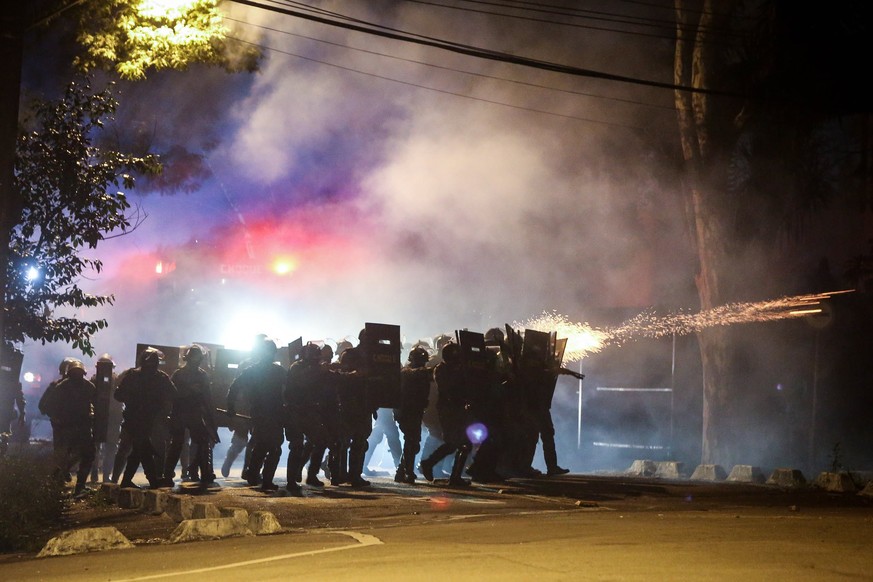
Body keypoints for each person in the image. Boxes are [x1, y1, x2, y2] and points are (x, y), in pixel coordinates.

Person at [226, 337, 286, 492]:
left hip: (265, 414)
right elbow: (234, 387)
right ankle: (262, 479)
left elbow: (234, 387)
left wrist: (230, 407)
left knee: (262, 446)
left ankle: (254, 475)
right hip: (268, 414)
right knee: (272, 448)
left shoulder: (255, 370)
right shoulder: (276, 371)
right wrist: (230, 406)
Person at [114, 348, 176, 489]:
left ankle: (133, 480)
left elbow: (118, 395)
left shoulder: (137, 376)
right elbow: (118, 395)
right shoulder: (158, 377)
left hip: (142, 421)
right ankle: (152, 481)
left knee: (140, 450)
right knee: (143, 450)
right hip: (138, 420)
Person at [285, 342, 339, 494]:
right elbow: (303, 380)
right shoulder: (297, 367)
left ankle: (311, 474)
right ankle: (291, 480)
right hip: (295, 411)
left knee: (320, 441)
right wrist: (320, 370)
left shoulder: (317, 368)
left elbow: (332, 379)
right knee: (296, 445)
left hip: (310, 412)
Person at [160, 344, 218, 487]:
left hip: (186, 413)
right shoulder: (193, 375)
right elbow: (207, 398)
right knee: (196, 443)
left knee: (185, 444)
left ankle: (171, 474)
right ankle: (203, 473)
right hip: (188, 413)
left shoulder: (181, 374)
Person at [38, 359, 97, 495]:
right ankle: (60, 482)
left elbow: (95, 404)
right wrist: (57, 419)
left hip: (80, 428)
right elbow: (47, 406)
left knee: (85, 455)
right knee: (65, 456)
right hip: (67, 428)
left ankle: (73, 483)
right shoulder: (60, 387)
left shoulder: (87, 387)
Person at [419, 342, 473, 486]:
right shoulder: (442, 370)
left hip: (458, 409)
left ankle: (453, 476)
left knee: (464, 444)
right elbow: (449, 389)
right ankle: (429, 463)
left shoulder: (456, 369)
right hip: (449, 409)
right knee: (453, 443)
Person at [393, 345, 431, 483]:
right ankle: (407, 471)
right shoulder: (409, 373)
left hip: (412, 411)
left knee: (412, 442)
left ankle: (401, 471)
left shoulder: (409, 372)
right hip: (408, 411)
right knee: (412, 441)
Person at [90, 353, 123, 483]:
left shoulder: (93, 380)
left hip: (106, 418)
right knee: (108, 448)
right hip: (108, 418)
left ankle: (97, 474)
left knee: (99, 448)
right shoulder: (115, 381)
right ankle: (104, 475)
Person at [363, 408, 402, 476]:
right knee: (391, 435)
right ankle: (400, 467)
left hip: (381, 407)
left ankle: (362, 464)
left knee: (378, 435)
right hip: (385, 407)